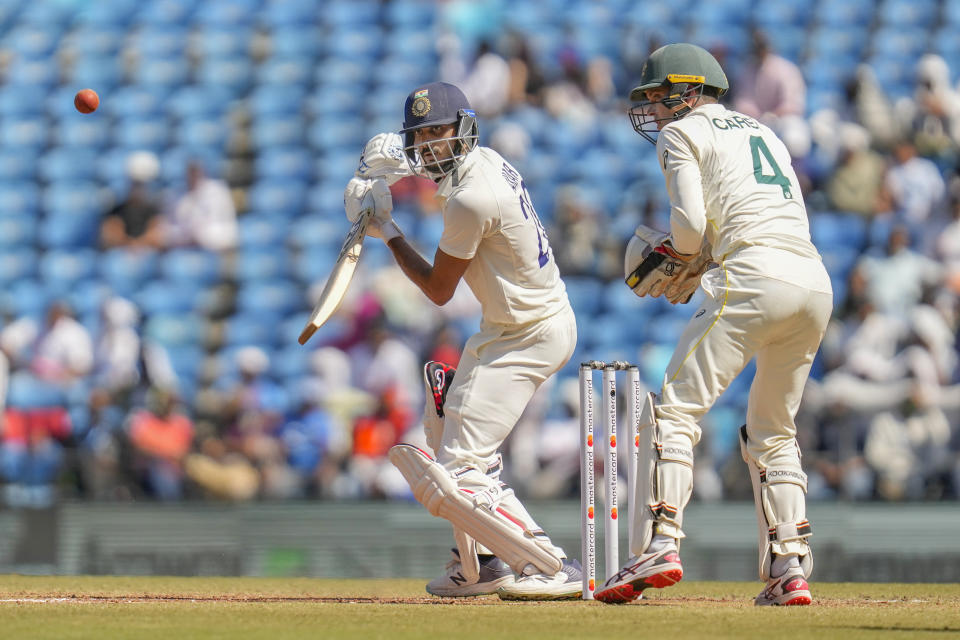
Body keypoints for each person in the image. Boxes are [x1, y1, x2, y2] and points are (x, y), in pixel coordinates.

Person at [596, 44, 833, 606]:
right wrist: (704, 255)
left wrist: (686, 257)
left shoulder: (683, 134)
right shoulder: (764, 130)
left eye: (658, 97)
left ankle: (662, 542)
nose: (653, 111)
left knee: (676, 408)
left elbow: (687, 231)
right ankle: (789, 567)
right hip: (814, 283)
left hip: (752, 277)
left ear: (689, 90)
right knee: (774, 429)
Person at [342, 82, 581, 600]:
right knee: (451, 442)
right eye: (419, 135)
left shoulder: (471, 198)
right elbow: (436, 165)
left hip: (528, 333)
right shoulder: (482, 162)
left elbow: (438, 290)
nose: (428, 145)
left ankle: (549, 562)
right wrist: (390, 167)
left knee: (459, 468)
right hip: (511, 327)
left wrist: (386, 229)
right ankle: (482, 564)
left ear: (463, 128)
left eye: (438, 132)